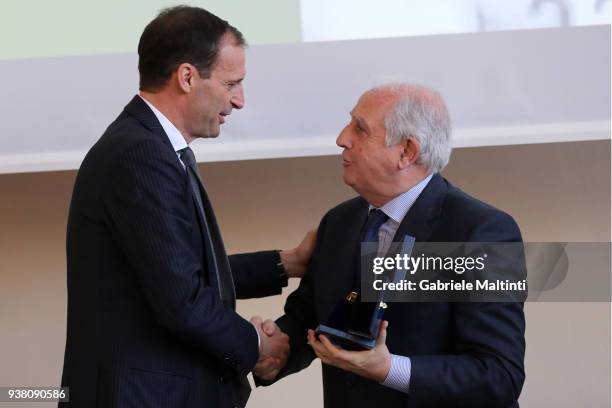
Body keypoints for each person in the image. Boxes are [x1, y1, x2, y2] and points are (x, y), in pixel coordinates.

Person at [59, 6, 315, 408]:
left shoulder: (152, 147)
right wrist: (256, 344)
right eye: (232, 83)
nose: (240, 100)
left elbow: (181, 270)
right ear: (187, 76)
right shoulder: (141, 154)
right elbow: (183, 299)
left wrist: (287, 263)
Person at [256, 83, 526, 407]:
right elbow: (309, 321)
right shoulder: (338, 223)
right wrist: (269, 351)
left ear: (406, 152)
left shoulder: (483, 232)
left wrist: (390, 370)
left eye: (360, 128)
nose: (342, 138)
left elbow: (499, 375)